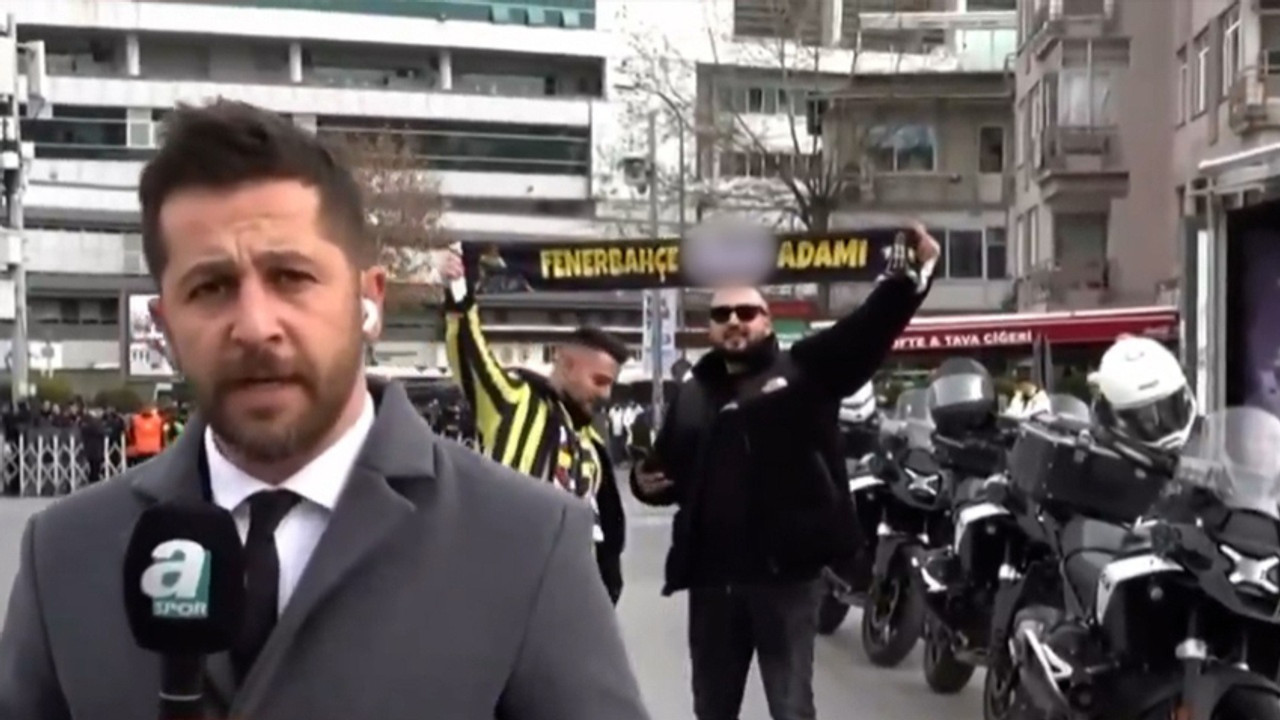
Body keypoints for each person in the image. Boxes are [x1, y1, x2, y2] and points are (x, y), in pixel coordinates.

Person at [0, 100, 648, 720]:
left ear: (369, 302)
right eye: (211, 287)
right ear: (166, 326)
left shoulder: (527, 540)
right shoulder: (66, 553)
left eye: (292, 277)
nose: (255, 326)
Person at [631, 225, 939, 720]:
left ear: (767, 321)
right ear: (710, 328)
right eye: (722, 315)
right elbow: (666, 473)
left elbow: (865, 331)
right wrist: (643, 484)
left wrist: (909, 280)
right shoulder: (692, 394)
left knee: (791, 707)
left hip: (786, 581)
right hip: (712, 583)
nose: (734, 321)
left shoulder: (806, 371)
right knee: (711, 709)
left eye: (746, 312)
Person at [437, 251, 630, 605]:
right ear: (566, 364)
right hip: (499, 592)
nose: (606, 394)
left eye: (610, 384)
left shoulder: (592, 449)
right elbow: (470, 352)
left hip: (564, 602)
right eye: (599, 381)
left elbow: (607, 543)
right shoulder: (514, 402)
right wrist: (459, 289)